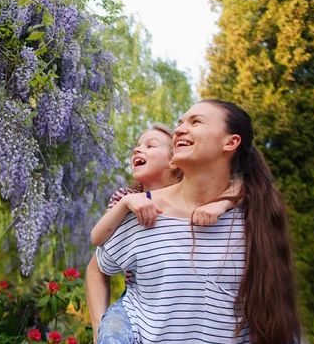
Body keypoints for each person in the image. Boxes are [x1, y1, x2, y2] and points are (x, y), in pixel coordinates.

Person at [87, 100, 300, 344]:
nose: (179, 130)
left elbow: (274, 314)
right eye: (179, 123)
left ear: (231, 142)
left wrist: (225, 202)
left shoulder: (255, 216)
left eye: (195, 122)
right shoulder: (142, 211)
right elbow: (97, 268)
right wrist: (100, 331)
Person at [87, 123, 237, 341]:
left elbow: (245, 185)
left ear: (173, 162)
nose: (138, 150)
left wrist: (221, 204)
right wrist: (126, 203)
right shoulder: (126, 196)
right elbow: (97, 238)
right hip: (138, 298)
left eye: (150, 146)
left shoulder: (193, 195)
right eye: (137, 147)